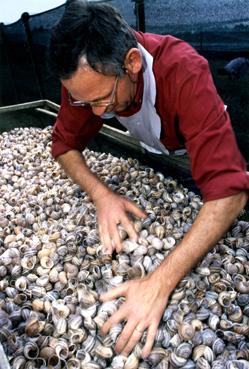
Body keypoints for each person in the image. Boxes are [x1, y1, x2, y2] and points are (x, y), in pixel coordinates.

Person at [48, 0, 249, 358]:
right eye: (84, 102)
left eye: (101, 99)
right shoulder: (86, 79)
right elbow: (63, 146)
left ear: (132, 63)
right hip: (150, 140)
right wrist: (102, 195)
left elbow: (230, 192)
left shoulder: (183, 70)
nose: (95, 113)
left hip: (191, 142)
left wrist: (158, 282)